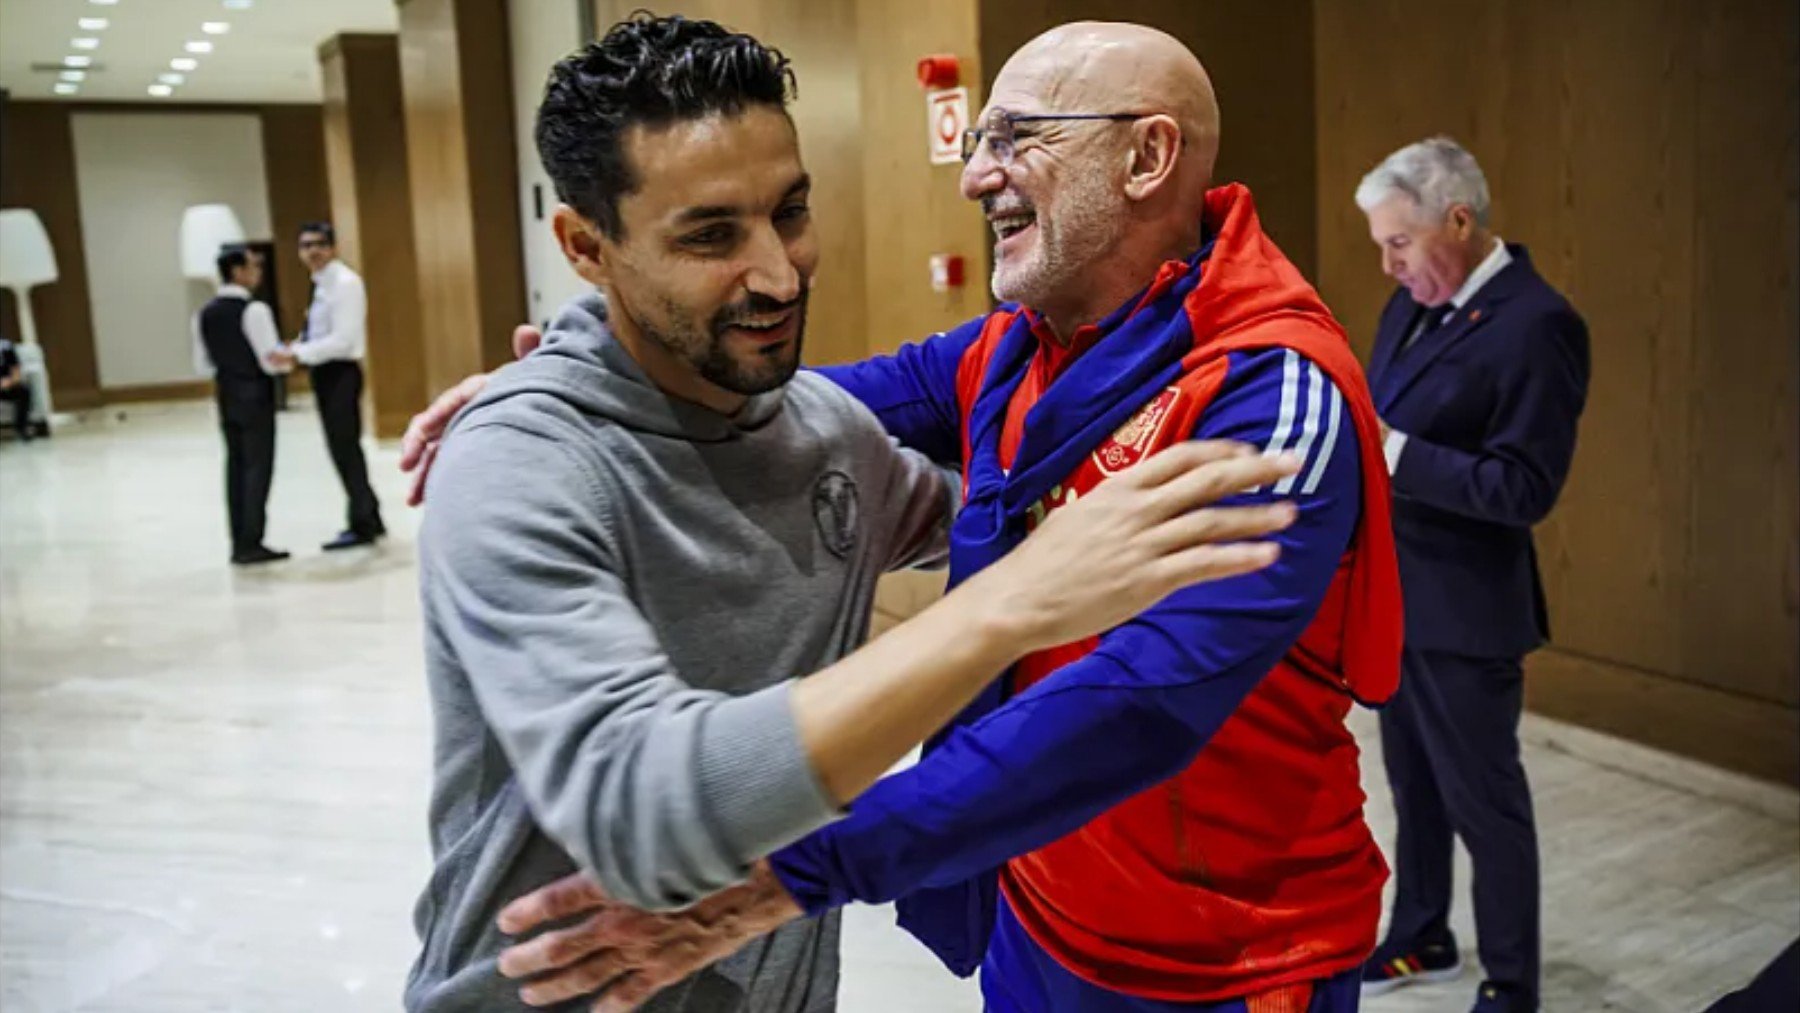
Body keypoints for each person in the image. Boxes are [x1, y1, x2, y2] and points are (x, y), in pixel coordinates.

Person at [406, 19, 1407, 1013]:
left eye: (1016, 138)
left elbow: (1139, 705)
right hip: (1041, 908)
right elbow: (751, 397)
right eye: (980, 139)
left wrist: (808, 866)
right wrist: (556, 385)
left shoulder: (1276, 398)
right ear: (589, 247)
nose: (975, 176)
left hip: (1226, 957)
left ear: (1147, 155)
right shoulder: (1016, 346)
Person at [1353, 137, 1590, 1013]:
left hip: (1468, 611)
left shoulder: (1540, 324)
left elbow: (1524, 487)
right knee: (1413, 789)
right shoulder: (1411, 304)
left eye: (1400, 243)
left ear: (1459, 219)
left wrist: (1396, 453)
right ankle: (1422, 933)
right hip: (1397, 600)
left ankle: (1511, 981)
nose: (1388, 263)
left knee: (1487, 805)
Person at [270, 222, 384, 550]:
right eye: (306, 245)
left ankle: (362, 524)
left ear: (333, 247)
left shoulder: (344, 283)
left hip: (340, 373)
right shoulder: (320, 283)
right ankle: (370, 514)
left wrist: (297, 354)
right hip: (324, 372)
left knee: (346, 450)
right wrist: (300, 347)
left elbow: (343, 340)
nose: (313, 251)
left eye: (320, 244)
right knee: (341, 449)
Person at [193, 246, 289, 566]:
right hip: (255, 394)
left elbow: (202, 364)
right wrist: (288, 360)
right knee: (258, 467)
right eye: (253, 266)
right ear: (237, 271)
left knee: (235, 466)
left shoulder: (203, 314)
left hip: (226, 393)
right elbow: (271, 360)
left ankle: (238, 540)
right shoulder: (255, 311)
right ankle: (253, 540)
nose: (258, 272)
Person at [0, 336, 32, 443]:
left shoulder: (6, 346)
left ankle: (21, 428)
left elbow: (16, 370)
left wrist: (10, 381)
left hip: (6, 385)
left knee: (24, 391)